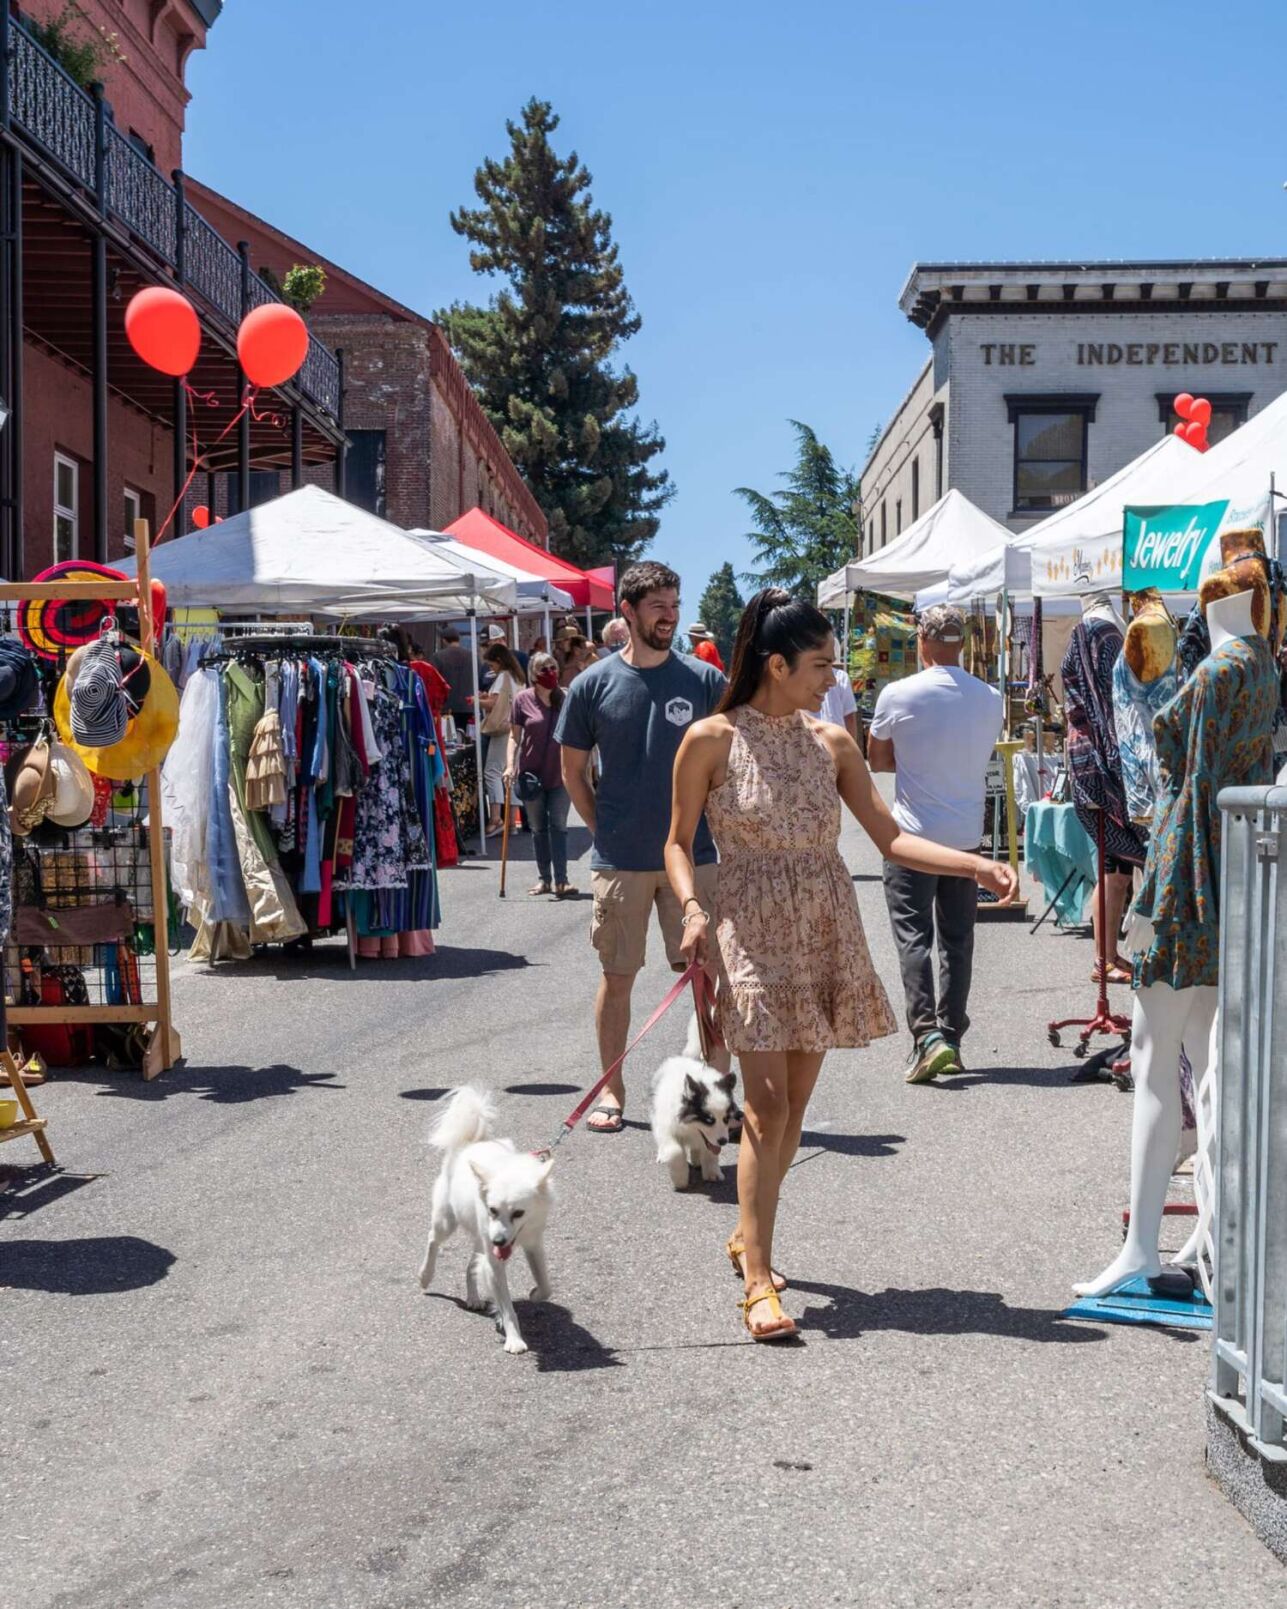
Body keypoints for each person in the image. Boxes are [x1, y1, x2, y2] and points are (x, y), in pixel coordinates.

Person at [666, 589, 1016, 1340]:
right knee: (761, 1106)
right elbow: (677, 840)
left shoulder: (832, 743)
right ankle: (758, 1280)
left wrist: (972, 865)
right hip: (749, 931)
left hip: (823, 927)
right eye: (820, 664)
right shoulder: (709, 738)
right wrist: (693, 907)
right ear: (776, 663)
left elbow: (890, 838)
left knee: (789, 1106)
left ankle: (747, 1230)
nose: (832, 677)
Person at [557, 561, 726, 1133]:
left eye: (674, 606)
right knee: (619, 976)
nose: (670, 617)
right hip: (621, 861)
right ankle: (611, 1093)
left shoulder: (703, 682)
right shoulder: (592, 685)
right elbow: (574, 772)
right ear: (627, 612)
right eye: (658, 607)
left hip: (695, 859)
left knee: (707, 979)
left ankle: (714, 1099)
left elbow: (731, 764)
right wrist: (604, 828)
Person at [866, 603, 1004, 1085]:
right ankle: (953, 1034)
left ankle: (927, 1036)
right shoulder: (990, 697)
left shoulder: (898, 694)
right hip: (965, 835)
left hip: (912, 837)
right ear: (961, 644)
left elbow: (878, 760)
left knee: (913, 937)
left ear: (921, 642)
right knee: (958, 940)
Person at [505, 652, 575, 899]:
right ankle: (544, 879)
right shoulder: (522, 700)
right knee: (538, 829)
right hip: (531, 775)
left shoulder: (565, 699)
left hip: (561, 774)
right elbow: (514, 736)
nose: (549, 673)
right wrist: (509, 764)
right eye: (544, 669)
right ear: (533, 674)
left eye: (553, 667)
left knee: (558, 825)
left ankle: (562, 881)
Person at [479, 642, 524, 833]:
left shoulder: (503, 677)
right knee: (511, 772)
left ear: (499, 661)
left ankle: (496, 818)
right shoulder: (518, 677)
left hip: (503, 728)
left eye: (491, 665)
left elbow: (493, 704)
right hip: (518, 727)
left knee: (492, 771)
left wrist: (477, 700)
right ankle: (512, 822)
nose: (491, 668)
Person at [431, 627, 476, 728]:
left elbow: (433, 680)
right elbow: (480, 678)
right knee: (467, 738)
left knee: (448, 738)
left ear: (444, 640)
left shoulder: (438, 657)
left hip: (446, 706)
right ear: (458, 639)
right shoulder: (472, 656)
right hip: (468, 706)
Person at [818, 660, 858, 741]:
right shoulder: (841, 677)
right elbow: (850, 718)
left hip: (835, 741)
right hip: (835, 740)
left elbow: (850, 717)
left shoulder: (841, 677)